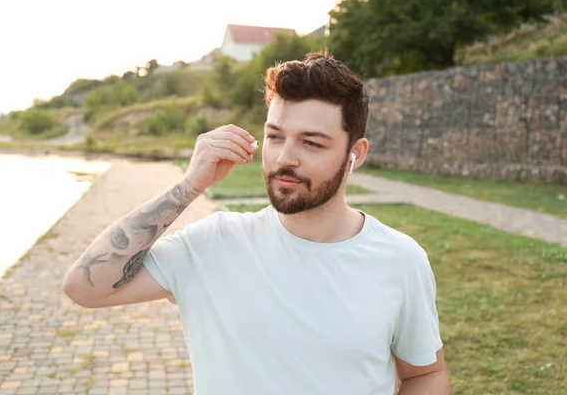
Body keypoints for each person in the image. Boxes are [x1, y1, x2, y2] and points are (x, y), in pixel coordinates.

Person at [63, 51, 450, 394]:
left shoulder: (400, 260)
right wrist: (189, 185)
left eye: (312, 143)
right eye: (275, 136)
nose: (285, 158)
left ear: (356, 154)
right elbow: (84, 287)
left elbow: (424, 374)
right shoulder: (213, 245)